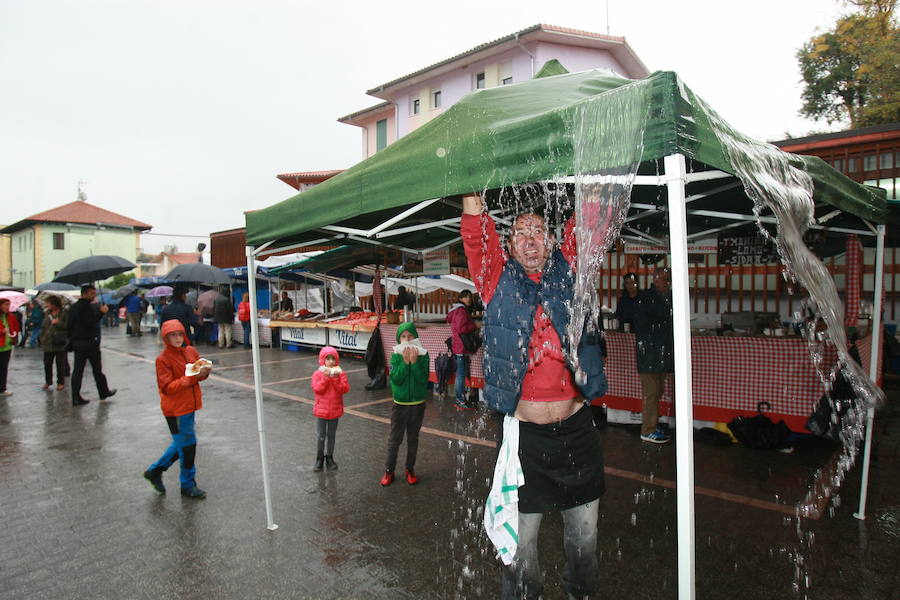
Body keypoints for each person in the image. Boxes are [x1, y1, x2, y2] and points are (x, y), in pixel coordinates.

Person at [461, 193, 607, 600]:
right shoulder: (494, 278)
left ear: (551, 240)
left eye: (538, 232)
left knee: (585, 543)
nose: (529, 239)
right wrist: (473, 192)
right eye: (520, 233)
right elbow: (476, 233)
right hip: (525, 442)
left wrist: (593, 176)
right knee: (520, 550)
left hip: (578, 434)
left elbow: (591, 219)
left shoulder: (570, 270)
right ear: (508, 246)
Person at [142, 319, 211, 498]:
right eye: (173, 335)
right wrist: (190, 378)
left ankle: (155, 471)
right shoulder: (163, 359)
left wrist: (204, 373)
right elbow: (167, 387)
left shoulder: (190, 351)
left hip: (189, 406)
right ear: (166, 338)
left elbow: (198, 375)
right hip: (175, 410)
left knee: (181, 444)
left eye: (180, 334)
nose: (178, 338)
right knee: (188, 447)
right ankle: (187, 484)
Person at [380, 322, 429, 487]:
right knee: (394, 439)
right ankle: (389, 470)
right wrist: (404, 362)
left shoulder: (423, 355)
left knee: (413, 439)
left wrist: (414, 363)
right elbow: (396, 378)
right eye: (403, 336)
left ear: (416, 337)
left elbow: (423, 379)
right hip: (400, 404)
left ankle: (410, 469)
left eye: (410, 336)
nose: (407, 340)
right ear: (399, 339)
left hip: (417, 404)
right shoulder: (395, 355)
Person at [633, 267, 674, 444]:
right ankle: (647, 429)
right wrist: (666, 323)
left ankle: (652, 424)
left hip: (660, 352)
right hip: (649, 352)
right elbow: (642, 325)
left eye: (669, 280)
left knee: (657, 391)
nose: (669, 283)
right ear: (656, 280)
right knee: (651, 393)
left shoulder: (668, 297)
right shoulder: (646, 298)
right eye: (666, 280)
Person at [68, 285, 116, 406]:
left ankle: (75, 397)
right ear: (84, 294)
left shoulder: (73, 307)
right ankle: (103, 392)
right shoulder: (86, 307)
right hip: (89, 342)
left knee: (78, 370)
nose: (93, 296)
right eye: (91, 293)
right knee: (96, 369)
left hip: (77, 342)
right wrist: (101, 313)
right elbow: (90, 323)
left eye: (94, 293)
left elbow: (69, 325)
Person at [310, 346, 350, 472]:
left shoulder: (340, 373)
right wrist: (327, 378)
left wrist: (336, 379)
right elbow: (317, 389)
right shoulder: (317, 374)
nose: (331, 361)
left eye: (333, 358)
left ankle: (330, 457)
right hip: (321, 411)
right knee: (321, 435)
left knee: (331, 435)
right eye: (328, 359)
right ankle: (319, 458)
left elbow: (344, 389)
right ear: (323, 360)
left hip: (335, 410)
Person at [446, 289, 478, 410]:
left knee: (461, 373)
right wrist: (475, 325)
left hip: (459, 346)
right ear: (460, 298)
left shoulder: (456, 310)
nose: (468, 299)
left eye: (469, 296)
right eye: (465, 297)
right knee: (460, 374)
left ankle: (461, 399)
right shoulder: (461, 310)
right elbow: (461, 328)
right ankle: (459, 400)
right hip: (462, 346)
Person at [39, 295, 69, 391]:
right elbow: (43, 327)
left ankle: (60, 382)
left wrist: (58, 322)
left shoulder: (64, 313)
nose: (46, 305)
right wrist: (42, 339)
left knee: (60, 364)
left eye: (48, 303)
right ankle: (48, 381)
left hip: (59, 342)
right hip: (47, 342)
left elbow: (68, 326)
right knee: (47, 363)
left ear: (54, 304)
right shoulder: (46, 313)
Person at [0, 298, 20, 397]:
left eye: (9, 305)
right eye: (6, 305)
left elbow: (15, 327)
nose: (8, 307)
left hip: (7, 346)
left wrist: (14, 333)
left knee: (4, 368)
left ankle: (2, 389)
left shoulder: (11, 316)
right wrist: (1, 331)